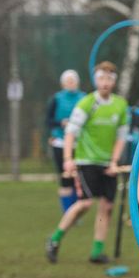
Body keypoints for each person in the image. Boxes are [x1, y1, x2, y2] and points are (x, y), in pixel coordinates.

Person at [45, 61, 128, 265]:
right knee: (85, 203)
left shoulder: (121, 105)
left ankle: (96, 251)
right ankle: (54, 239)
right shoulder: (86, 103)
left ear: (114, 81)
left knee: (107, 206)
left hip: (108, 163)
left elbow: (121, 137)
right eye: (101, 78)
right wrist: (67, 160)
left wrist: (115, 161)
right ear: (95, 79)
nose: (105, 82)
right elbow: (71, 132)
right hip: (86, 161)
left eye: (109, 78)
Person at [45, 70, 86, 213]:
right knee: (66, 178)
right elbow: (48, 121)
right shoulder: (56, 99)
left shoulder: (85, 98)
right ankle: (68, 211)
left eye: (73, 80)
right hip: (60, 143)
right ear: (63, 83)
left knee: (79, 179)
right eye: (68, 81)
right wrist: (60, 123)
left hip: (80, 143)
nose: (71, 83)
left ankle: (76, 210)